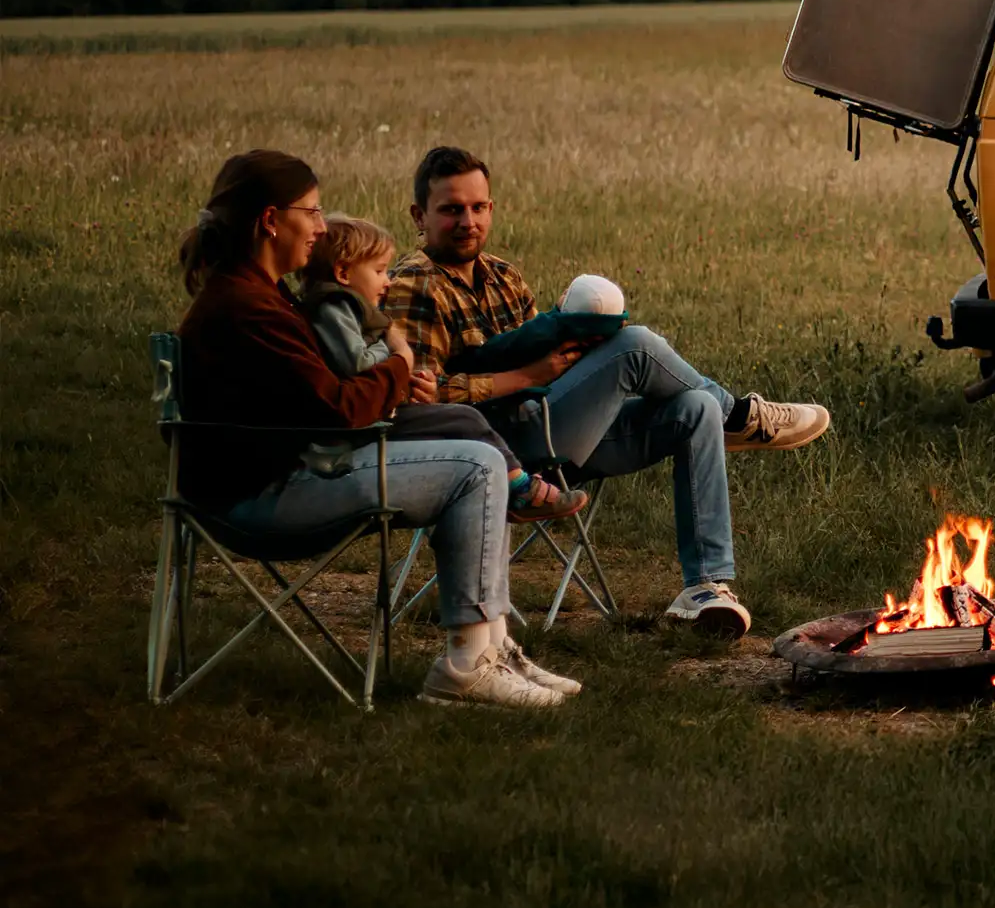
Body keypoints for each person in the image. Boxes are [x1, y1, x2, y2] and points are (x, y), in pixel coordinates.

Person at [172, 150, 578, 711]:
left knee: (469, 448)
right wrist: (398, 366)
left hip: (282, 472)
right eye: (310, 213)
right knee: (476, 466)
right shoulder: (248, 307)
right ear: (270, 220)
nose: (320, 226)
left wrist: (390, 381)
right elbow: (340, 409)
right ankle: (468, 664)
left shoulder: (260, 294)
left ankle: (491, 645)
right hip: (265, 496)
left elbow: (324, 398)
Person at [383, 144, 828, 641]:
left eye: (478, 207)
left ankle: (704, 588)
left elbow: (541, 356)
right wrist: (526, 377)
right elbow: (417, 403)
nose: (468, 221)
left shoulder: (503, 276)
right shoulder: (414, 285)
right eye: (451, 210)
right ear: (419, 216)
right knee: (637, 346)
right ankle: (742, 416)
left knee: (694, 407)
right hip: (499, 451)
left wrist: (572, 353)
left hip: (557, 430)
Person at [302, 217, 583, 522]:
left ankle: (517, 484)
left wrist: (406, 380)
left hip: (374, 418)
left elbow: (366, 374)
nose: (388, 281)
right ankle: (519, 487)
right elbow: (358, 365)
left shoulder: (351, 310)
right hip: (360, 433)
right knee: (463, 418)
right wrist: (395, 348)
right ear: (343, 272)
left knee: (464, 418)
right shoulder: (332, 309)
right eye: (379, 271)